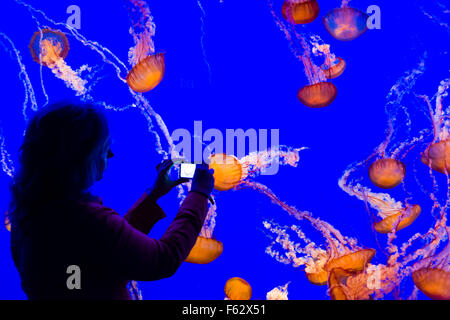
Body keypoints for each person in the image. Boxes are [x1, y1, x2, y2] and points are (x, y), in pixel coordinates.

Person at [9, 102, 214, 300]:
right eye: (103, 147)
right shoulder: (86, 219)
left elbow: (106, 249)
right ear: (81, 156)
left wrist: (154, 194)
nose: (110, 154)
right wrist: (199, 195)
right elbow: (163, 260)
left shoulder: (26, 216)